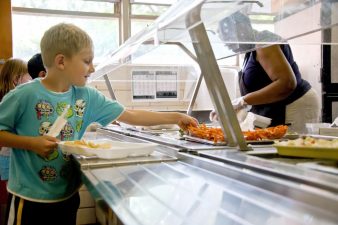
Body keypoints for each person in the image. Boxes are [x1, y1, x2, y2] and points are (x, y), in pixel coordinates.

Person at [0, 23, 197, 225]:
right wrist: (31, 143)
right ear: (61, 61)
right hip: (31, 199)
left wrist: (175, 117)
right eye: (87, 61)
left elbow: (131, 115)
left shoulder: (86, 96)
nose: (92, 68)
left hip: (68, 195)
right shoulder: (24, 95)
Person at [211, 12, 319, 133]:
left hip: (293, 105)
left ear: (241, 27)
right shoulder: (250, 50)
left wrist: (242, 102)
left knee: (289, 147)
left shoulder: (263, 42)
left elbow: (286, 83)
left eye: (229, 39)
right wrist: (235, 105)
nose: (229, 46)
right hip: (277, 107)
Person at [0, 58, 32, 225]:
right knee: (10, 196)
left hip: (7, 157)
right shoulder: (14, 99)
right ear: (16, 78)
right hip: (8, 158)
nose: (32, 80)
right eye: (29, 76)